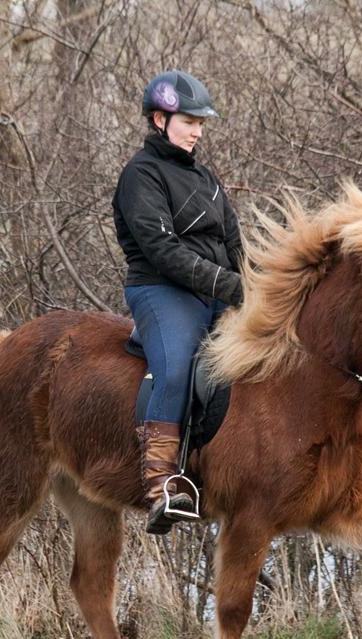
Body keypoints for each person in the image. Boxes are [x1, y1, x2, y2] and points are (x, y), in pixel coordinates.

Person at [113, 70, 246, 535]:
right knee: (175, 367)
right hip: (162, 290)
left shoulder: (206, 178)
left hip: (216, 292)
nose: (197, 130)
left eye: (201, 123)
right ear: (159, 118)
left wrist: (256, 288)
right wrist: (229, 286)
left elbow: (234, 243)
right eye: (189, 120)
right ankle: (162, 485)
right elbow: (163, 252)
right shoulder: (140, 175)